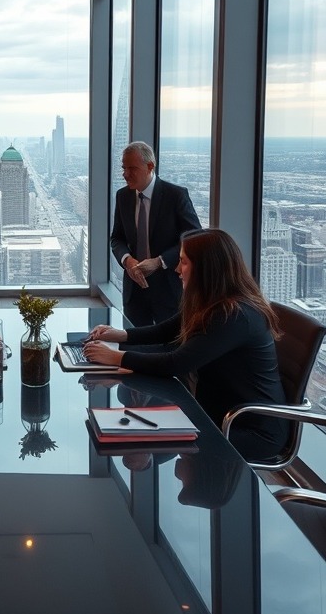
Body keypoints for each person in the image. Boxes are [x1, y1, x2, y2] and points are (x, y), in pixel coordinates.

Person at [84, 228, 289, 461]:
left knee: (143, 438)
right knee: (136, 429)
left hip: (248, 429)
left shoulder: (234, 315)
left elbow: (176, 363)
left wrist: (114, 358)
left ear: (205, 268)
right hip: (215, 413)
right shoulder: (211, 302)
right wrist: (119, 335)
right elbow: (165, 331)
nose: (177, 269)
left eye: (183, 262)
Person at [111, 141, 201, 326]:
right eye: (123, 168)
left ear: (150, 166)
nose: (125, 174)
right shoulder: (123, 196)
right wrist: (127, 260)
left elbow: (194, 239)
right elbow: (117, 238)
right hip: (134, 290)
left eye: (132, 168)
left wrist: (160, 262)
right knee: (135, 346)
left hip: (169, 290)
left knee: (169, 347)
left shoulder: (175, 196)